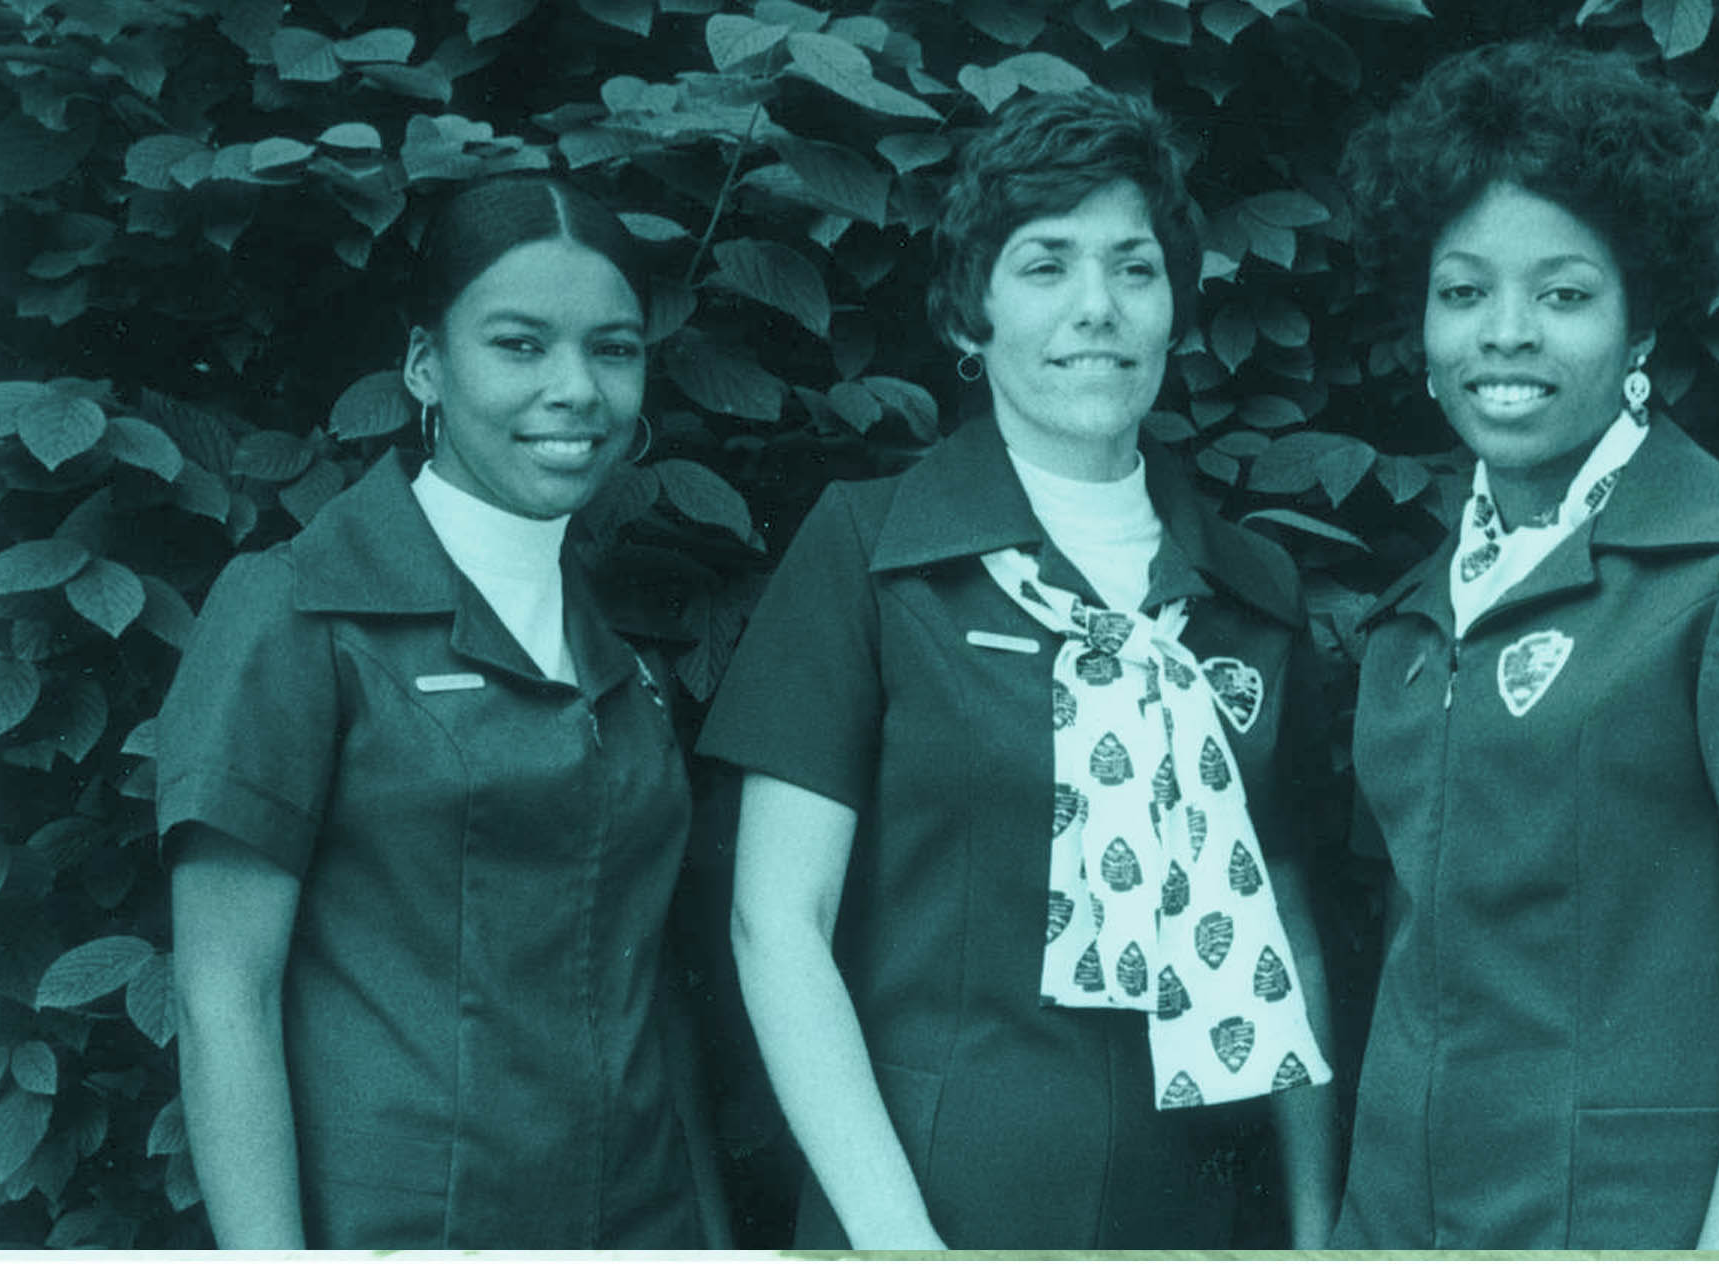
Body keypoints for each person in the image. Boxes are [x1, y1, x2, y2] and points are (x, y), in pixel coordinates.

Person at [697, 87, 1338, 1251]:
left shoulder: (1251, 595)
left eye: (1133, 269)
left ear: (1175, 310)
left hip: (1193, 1226)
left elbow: (1282, 926)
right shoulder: (865, 551)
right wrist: (902, 1250)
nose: (1096, 308)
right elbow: (774, 922)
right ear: (967, 314)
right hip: (920, 1218)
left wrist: (1311, 1231)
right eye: (1044, 265)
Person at [1331, 39, 1719, 1250]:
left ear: (1640, 322)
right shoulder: (1407, 621)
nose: (1505, 333)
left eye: (1564, 293)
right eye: (1463, 290)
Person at [159, 175, 724, 1249]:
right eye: (519, 345)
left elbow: (651, 994)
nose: (576, 389)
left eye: (612, 349)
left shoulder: (620, 646)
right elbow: (221, 996)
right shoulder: (295, 610)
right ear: (426, 363)